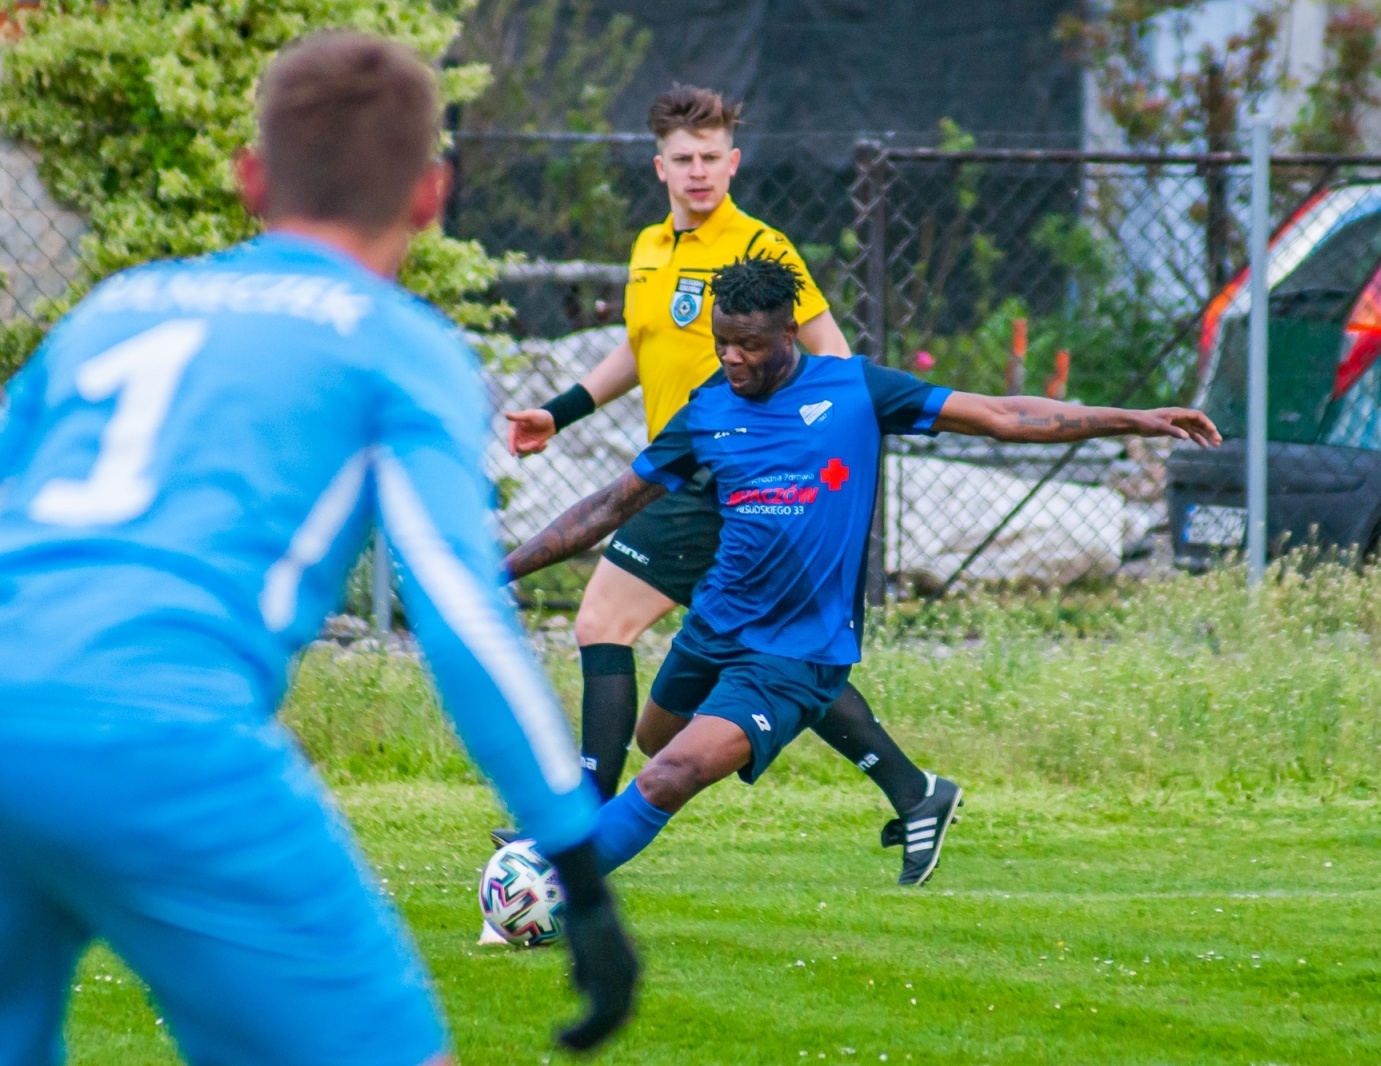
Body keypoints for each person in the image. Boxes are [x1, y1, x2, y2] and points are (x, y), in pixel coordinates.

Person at [0, 32, 635, 1066]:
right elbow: (458, 609)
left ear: (251, 179)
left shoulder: (114, 311)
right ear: (430, 195)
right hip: (164, 732)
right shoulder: (398, 344)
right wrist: (573, 850)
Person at [502, 255, 1222, 879]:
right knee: (656, 739)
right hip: (714, 624)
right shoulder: (709, 409)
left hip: (796, 649)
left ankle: (555, 884)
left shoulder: (855, 391)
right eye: (722, 343)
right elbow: (608, 506)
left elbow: (1002, 415)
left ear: (789, 334)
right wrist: (502, 570)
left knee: (671, 773)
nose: (732, 358)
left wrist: (1134, 418)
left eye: (749, 345)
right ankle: (911, 790)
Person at [502, 84, 956, 886]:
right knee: (773, 655)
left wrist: (816, 461)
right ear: (660, 167)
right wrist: (560, 411)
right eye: (684, 158)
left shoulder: (760, 251)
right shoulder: (651, 247)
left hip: (729, 480)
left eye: (712, 157)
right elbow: (640, 344)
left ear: (734, 162)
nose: (699, 171)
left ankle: (583, 820)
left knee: (602, 620)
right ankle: (914, 791)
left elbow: (832, 357)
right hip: (683, 471)